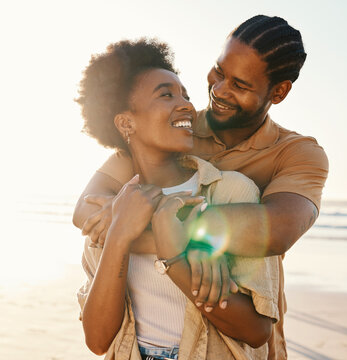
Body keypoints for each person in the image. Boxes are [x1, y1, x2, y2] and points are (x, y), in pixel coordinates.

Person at [73, 15, 329, 360]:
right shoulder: (170, 133)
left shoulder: (297, 154)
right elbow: (88, 210)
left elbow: (277, 228)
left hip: (232, 341)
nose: (219, 90)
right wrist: (143, 234)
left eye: (239, 84)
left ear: (278, 91)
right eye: (218, 72)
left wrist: (174, 234)